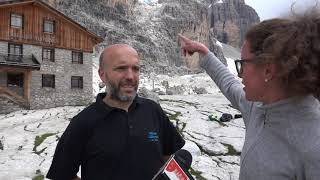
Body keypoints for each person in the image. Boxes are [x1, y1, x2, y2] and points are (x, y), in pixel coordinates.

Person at [179, 8, 320, 180]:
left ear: (268, 70)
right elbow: (230, 85)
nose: (240, 74)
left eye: (242, 64)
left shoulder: (313, 144)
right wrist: (205, 53)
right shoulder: (259, 106)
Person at [46, 44, 185, 180]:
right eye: (121, 68)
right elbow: (62, 174)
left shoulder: (153, 110)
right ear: (102, 75)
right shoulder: (83, 122)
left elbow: (169, 154)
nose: (130, 76)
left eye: (135, 69)